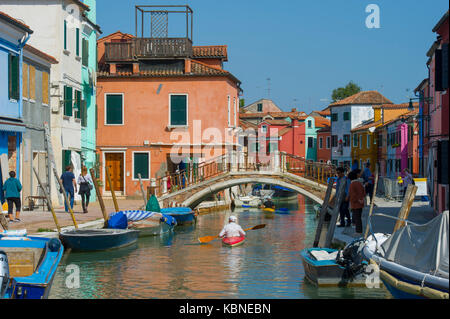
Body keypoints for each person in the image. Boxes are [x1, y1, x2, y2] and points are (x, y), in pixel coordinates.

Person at [348, 169, 366, 235]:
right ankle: (359, 230)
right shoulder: (359, 183)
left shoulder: (352, 184)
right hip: (360, 203)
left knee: (357, 218)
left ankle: (358, 231)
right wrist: (361, 199)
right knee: (358, 217)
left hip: (355, 204)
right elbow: (364, 192)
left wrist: (357, 200)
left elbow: (352, 195)